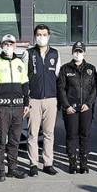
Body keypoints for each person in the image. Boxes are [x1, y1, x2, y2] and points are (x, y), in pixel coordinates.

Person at [0, 34, 30, 182]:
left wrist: (26, 104)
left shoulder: (20, 63)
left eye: (11, 44)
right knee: (1, 141)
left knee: (14, 140)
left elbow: (25, 84)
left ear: (15, 46)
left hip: (17, 107)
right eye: (6, 44)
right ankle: (0, 170)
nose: (8, 47)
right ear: (1, 46)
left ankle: (12, 168)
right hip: (1, 108)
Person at [57, 41, 97, 174]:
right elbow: (61, 89)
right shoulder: (65, 69)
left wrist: (89, 103)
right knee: (71, 135)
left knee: (85, 135)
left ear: (84, 53)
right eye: (76, 51)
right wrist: (66, 105)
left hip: (86, 108)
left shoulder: (91, 69)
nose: (78, 54)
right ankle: (72, 162)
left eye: (80, 51)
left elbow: (95, 88)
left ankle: (84, 163)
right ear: (72, 52)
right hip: (71, 109)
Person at [26, 24, 61, 177]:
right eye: (39, 34)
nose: (42, 37)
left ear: (49, 36)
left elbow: (58, 77)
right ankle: (33, 164)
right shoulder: (28, 54)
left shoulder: (55, 54)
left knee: (49, 133)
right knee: (33, 134)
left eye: (44, 34)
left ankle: (48, 163)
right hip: (34, 99)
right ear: (35, 36)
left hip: (51, 99)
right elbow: (23, 78)